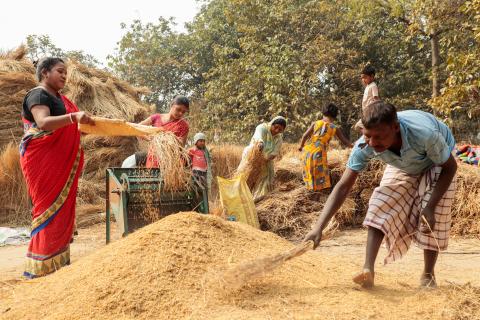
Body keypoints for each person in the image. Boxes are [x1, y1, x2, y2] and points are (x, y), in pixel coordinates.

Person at [304, 101, 457, 289]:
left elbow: (450, 168)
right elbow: (343, 186)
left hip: (437, 162)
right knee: (380, 202)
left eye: (379, 137)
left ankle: (428, 274)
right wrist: (318, 227)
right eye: (368, 136)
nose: (373, 143)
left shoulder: (425, 135)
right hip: (403, 164)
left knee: (434, 216)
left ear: (395, 127)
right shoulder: (365, 144)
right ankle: (368, 269)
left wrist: (430, 207)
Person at [20, 57, 94, 278]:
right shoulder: (38, 94)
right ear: (44, 72)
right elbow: (43, 123)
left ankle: (57, 265)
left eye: (65, 72)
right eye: (60, 71)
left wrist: (78, 129)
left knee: (61, 208)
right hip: (42, 159)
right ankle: (41, 266)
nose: (64, 75)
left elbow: (66, 127)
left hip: (58, 158)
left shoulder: (62, 99)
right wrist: (73, 118)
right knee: (46, 207)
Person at [121, 96, 190, 168]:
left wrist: (171, 139)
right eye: (178, 109)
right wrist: (149, 138)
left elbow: (181, 146)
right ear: (172, 105)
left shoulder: (184, 125)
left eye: (183, 112)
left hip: (169, 162)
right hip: (153, 157)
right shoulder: (156, 117)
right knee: (151, 176)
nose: (180, 113)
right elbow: (137, 128)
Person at [299, 103, 352, 192]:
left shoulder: (315, 123)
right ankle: (319, 192)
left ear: (323, 112)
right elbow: (345, 142)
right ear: (335, 116)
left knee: (309, 170)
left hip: (309, 151)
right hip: (320, 152)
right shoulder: (334, 128)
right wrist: (354, 146)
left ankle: (309, 190)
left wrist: (301, 146)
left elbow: (304, 136)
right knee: (320, 173)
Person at [238, 116, 287, 200]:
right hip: (252, 157)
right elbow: (258, 137)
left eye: (280, 130)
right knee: (246, 180)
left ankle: (256, 202)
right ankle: (242, 200)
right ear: (272, 124)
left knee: (264, 184)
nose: (277, 131)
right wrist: (260, 143)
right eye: (276, 127)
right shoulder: (262, 128)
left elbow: (274, 152)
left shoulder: (279, 138)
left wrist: (264, 160)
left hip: (266, 161)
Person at [188, 132, 212, 212]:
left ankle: (204, 209)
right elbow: (186, 158)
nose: (202, 143)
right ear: (196, 142)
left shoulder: (205, 152)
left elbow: (208, 161)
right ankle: (196, 209)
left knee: (204, 192)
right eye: (200, 141)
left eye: (203, 141)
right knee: (196, 192)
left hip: (204, 175)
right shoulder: (192, 150)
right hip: (195, 175)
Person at [355, 65, 380, 131]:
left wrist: (378, 111)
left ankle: (368, 136)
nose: (363, 80)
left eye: (365, 77)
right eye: (362, 78)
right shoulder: (367, 86)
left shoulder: (373, 86)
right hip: (366, 113)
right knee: (358, 126)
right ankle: (368, 135)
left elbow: (376, 99)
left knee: (359, 125)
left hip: (370, 112)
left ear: (372, 76)